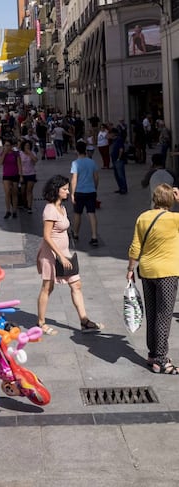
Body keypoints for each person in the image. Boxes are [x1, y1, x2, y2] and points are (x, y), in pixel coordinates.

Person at [36, 175, 105, 335]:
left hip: (65, 254)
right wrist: (59, 255)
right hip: (50, 255)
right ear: (56, 190)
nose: (68, 191)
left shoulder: (62, 207)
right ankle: (41, 323)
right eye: (65, 189)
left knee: (76, 284)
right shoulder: (50, 210)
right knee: (48, 287)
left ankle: (84, 321)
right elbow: (47, 236)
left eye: (68, 188)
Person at [127, 183, 179, 374]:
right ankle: (161, 360)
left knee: (152, 313)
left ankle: (152, 354)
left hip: (146, 271)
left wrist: (130, 268)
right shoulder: (175, 219)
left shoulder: (143, 217)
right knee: (164, 316)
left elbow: (135, 246)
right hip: (167, 273)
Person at [70, 141, 99, 246]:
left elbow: (74, 179)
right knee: (91, 213)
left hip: (79, 192)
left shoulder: (75, 163)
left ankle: (76, 233)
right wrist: (95, 188)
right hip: (91, 191)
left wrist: (72, 193)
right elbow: (96, 177)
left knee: (78, 213)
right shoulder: (92, 162)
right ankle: (94, 236)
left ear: (77, 151)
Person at [0, 140, 23, 219]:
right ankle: (8, 210)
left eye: (8, 145)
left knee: (14, 193)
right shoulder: (3, 154)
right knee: (7, 193)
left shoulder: (16, 154)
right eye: (6, 145)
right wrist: (4, 153)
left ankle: (14, 210)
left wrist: (21, 175)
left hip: (15, 175)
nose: (7, 147)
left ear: (11, 146)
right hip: (6, 175)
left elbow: (19, 165)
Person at [19, 139, 38, 214]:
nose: (27, 147)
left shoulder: (32, 153)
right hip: (23, 174)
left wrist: (30, 153)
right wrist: (20, 175)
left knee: (29, 191)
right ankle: (25, 203)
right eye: (26, 146)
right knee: (23, 191)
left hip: (31, 174)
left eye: (29, 146)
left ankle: (29, 207)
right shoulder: (20, 153)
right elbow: (19, 164)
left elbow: (35, 160)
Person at [109, 127, 128, 194]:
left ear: (114, 133)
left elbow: (121, 149)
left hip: (118, 160)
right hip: (114, 159)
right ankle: (120, 187)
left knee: (120, 175)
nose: (109, 135)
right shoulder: (114, 140)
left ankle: (124, 188)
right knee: (116, 175)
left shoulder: (119, 139)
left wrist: (119, 158)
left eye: (110, 133)